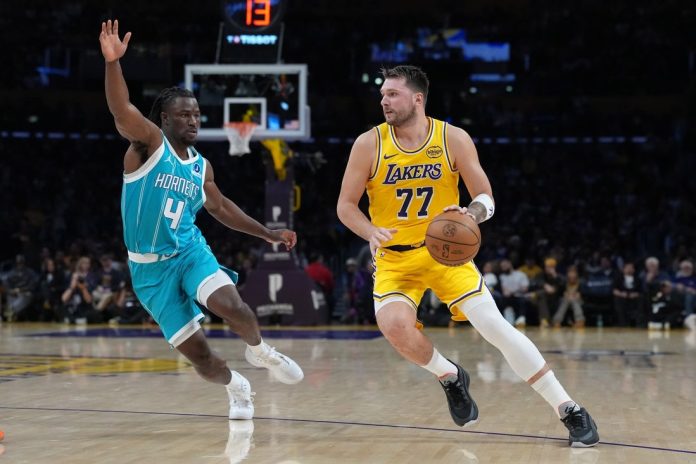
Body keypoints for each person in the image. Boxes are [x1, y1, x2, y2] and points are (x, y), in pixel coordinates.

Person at [336, 65, 598, 447]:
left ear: (417, 99)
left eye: (392, 94)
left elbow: (486, 198)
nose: (384, 101)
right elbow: (345, 206)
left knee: (495, 327)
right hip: (395, 258)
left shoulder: (452, 138)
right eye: (382, 95)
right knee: (393, 327)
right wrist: (369, 230)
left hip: (445, 253)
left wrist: (470, 214)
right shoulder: (369, 143)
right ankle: (449, 375)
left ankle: (568, 408)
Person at [99, 20, 303, 420]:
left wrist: (268, 234)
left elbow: (221, 208)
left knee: (233, 306)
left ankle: (261, 351)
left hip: (189, 252)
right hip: (149, 271)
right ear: (165, 119)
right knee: (204, 361)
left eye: (196, 115)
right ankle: (237, 387)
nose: (193, 121)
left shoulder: (201, 166)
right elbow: (122, 110)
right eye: (184, 115)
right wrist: (112, 63)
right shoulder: (148, 146)